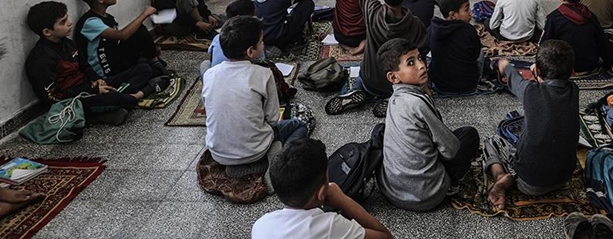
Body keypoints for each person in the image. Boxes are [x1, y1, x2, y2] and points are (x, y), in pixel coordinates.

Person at [324, 0, 428, 116]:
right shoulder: (416, 24)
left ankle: (357, 90)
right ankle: (393, 100)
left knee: (361, 75)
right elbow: (422, 57)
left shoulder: (372, 12)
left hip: (371, 79)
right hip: (397, 82)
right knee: (416, 77)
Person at [376, 38, 480, 212]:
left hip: (392, 192)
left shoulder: (394, 100)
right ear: (393, 77)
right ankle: (451, 184)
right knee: (469, 135)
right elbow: (451, 150)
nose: (422, 65)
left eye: (420, 58)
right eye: (411, 63)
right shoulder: (417, 103)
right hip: (428, 196)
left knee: (380, 131)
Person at [25, 1, 164, 125]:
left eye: (67, 18)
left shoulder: (67, 43)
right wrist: (93, 91)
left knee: (144, 69)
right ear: (47, 32)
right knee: (111, 98)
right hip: (73, 101)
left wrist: (96, 80)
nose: (70, 23)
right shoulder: (41, 59)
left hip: (89, 87)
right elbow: (54, 98)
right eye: (63, 22)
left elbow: (85, 66)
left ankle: (116, 103)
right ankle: (138, 95)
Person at [202, 16, 308, 177]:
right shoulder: (264, 74)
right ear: (250, 51)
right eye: (261, 42)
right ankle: (276, 162)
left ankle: (240, 166)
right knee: (299, 126)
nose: (263, 44)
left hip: (218, 154)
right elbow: (272, 120)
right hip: (256, 151)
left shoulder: (209, 74)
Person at [484, 40, 580, 210]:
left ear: (537, 70)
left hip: (530, 183)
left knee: (491, 141)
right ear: (572, 72)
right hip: (564, 177)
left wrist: (504, 64)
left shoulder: (531, 92)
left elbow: (513, 78)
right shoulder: (574, 90)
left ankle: (502, 176)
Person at [251, 138, 392, 239]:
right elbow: (386, 237)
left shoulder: (261, 225)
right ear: (320, 193)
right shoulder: (330, 225)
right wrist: (343, 200)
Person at [75, 0, 170, 79]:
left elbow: (119, 42)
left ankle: (154, 62)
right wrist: (144, 14)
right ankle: (152, 67)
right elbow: (122, 35)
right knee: (146, 70)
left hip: (116, 61)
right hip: (106, 74)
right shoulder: (90, 23)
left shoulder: (110, 18)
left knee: (139, 31)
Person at [541, 0, 612, 74]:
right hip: (589, 65)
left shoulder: (554, 18)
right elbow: (602, 43)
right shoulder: (590, 16)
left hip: (565, 67)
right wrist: (608, 63)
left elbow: (544, 45)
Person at [428, 0, 483, 94]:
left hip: (440, 86)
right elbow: (475, 55)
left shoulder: (433, 29)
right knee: (481, 53)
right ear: (453, 15)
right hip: (468, 86)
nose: (470, 12)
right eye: (466, 10)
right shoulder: (469, 30)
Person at [200, 0, 263, 76]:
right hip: (245, 76)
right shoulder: (253, 39)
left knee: (205, 64)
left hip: (219, 78)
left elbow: (212, 55)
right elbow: (261, 60)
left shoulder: (218, 37)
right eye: (254, 15)